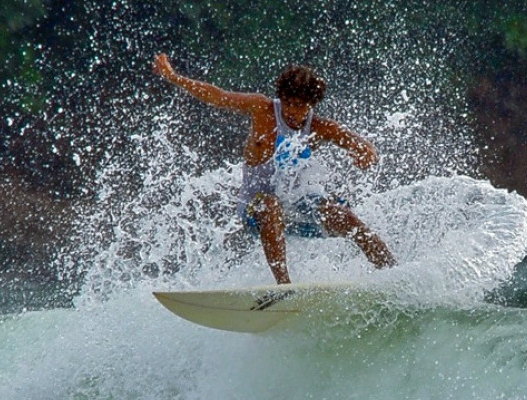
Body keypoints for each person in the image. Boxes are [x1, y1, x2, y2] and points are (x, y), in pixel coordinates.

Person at [152, 53, 396, 284]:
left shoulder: (320, 127)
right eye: (288, 103)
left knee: (343, 216)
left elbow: (363, 146)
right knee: (270, 205)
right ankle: (284, 287)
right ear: (281, 97)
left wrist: (366, 154)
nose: (292, 112)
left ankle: (394, 273)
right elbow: (217, 96)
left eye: (301, 106)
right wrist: (174, 77)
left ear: (311, 105)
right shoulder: (263, 109)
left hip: (301, 209)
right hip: (256, 210)